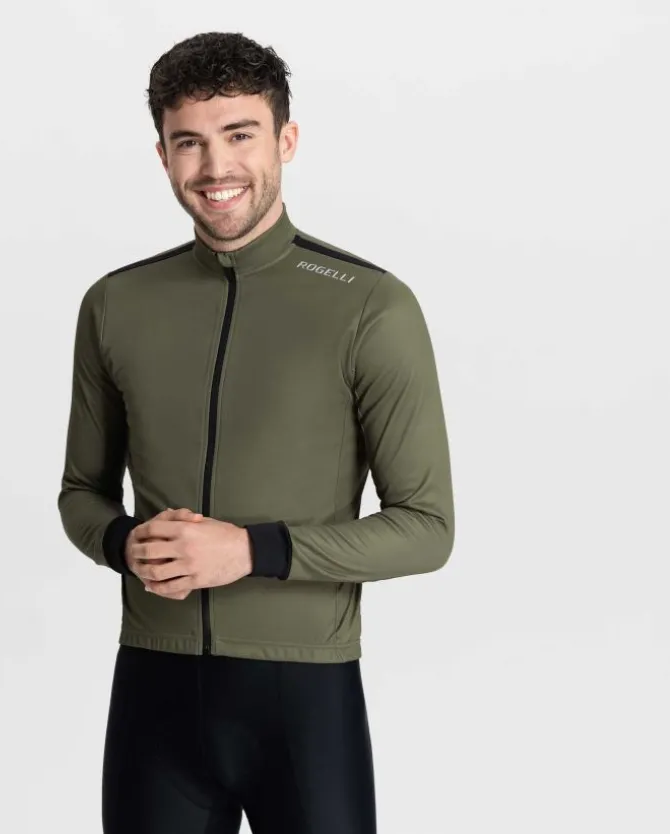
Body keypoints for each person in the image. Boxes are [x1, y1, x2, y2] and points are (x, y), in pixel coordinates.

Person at [57, 30, 455, 834]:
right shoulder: (116, 304)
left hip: (304, 700)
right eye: (189, 142)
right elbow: (81, 494)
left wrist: (250, 550)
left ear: (286, 139)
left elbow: (426, 529)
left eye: (239, 135)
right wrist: (124, 543)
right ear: (163, 155)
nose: (215, 167)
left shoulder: (370, 306)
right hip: (155, 692)